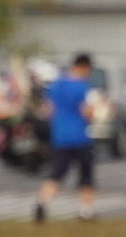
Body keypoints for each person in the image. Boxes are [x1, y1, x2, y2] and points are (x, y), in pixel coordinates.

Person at [36, 53, 100, 222]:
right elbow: (87, 112)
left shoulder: (56, 85)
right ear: (84, 67)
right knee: (85, 175)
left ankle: (42, 202)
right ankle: (86, 210)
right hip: (80, 136)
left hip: (60, 136)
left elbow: (47, 110)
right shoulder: (83, 87)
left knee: (56, 173)